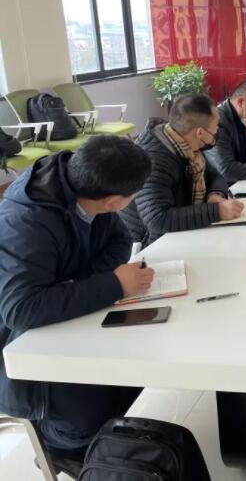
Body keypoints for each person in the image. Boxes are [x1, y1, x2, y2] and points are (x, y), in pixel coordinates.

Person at [0, 136, 155, 476]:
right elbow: (19, 310)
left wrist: (82, 285)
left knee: (140, 368)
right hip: (22, 350)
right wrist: (113, 284)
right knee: (91, 412)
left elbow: (119, 242)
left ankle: (105, 442)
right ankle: (61, 449)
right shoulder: (26, 221)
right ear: (114, 201)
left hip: (67, 315)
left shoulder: (84, 187)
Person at [120, 93, 244, 247]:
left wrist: (215, 194)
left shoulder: (185, 145)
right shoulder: (154, 160)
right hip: (149, 244)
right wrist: (216, 211)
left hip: (178, 232)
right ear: (200, 133)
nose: (218, 131)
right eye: (216, 127)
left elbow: (214, 175)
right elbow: (158, 219)